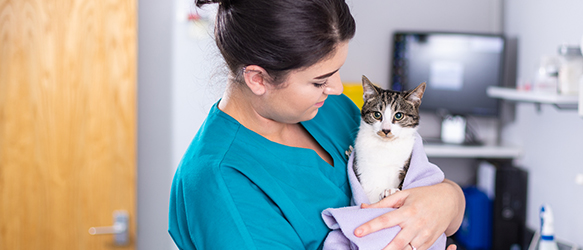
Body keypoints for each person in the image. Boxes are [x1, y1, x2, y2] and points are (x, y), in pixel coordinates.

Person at [168, 0, 465, 249]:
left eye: (337, 71)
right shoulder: (221, 181)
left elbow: (429, 191)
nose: (336, 88)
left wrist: (447, 199)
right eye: (319, 80)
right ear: (258, 79)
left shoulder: (329, 109)